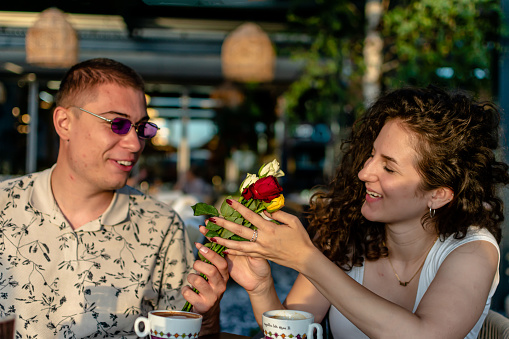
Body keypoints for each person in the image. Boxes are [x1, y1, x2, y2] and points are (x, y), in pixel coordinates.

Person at [204, 86, 509, 338]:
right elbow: (290, 332)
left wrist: (306, 258)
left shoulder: (473, 251)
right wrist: (260, 287)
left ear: (438, 194)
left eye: (388, 167)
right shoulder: (348, 235)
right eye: (372, 155)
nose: (364, 172)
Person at [0, 58, 228, 338]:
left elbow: (189, 332)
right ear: (64, 122)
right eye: (117, 124)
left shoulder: (161, 226)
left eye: (142, 128)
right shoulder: (3, 206)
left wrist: (206, 317)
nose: (135, 144)